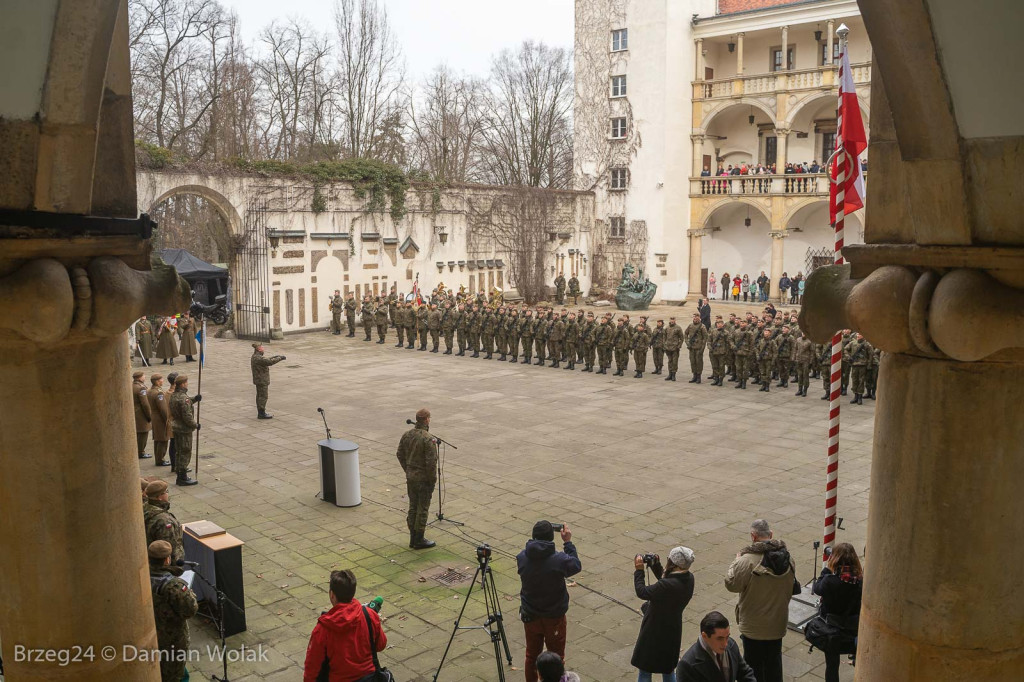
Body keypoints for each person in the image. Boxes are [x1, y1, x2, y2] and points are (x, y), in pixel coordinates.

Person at [725, 520, 797, 682]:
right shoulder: (788, 559)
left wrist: (735, 562)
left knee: (752, 669)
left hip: (753, 625)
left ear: (753, 536)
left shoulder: (746, 560)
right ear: (770, 534)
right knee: (774, 664)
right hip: (777, 624)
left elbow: (731, 584)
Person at [518, 520, 582, 682]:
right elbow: (575, 565)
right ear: (550, 538)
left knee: (531, 656)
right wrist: (567, 542)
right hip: (554, 616)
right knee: (556, 658)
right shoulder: (559, 560)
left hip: (530, 614)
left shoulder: (522, 557)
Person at [303, 569, 387, 682]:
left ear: (332, 595)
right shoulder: (369, 615)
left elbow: (312, 668)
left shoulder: (322, 629)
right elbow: (380, 645)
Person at [631, 547, 696, 682]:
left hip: (653, 631)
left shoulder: (667, 586)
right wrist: (656, 566)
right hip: (672, 630)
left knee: (645, 669)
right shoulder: (689, 579)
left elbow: (642, 591)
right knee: (668, 669)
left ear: (674, 563)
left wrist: (639, 571)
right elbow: (667, 579)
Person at [810, 543, 862, 682]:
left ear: (835, 559)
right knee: (860, 659)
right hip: (853, 629)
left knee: (832, 665)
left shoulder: (830, 581)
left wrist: (826, 569)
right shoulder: (861, 581)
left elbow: (817, 588)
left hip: (832, 629)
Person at [148, 539, 198, 682]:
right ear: (167, 559)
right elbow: (191, 609)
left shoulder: (141, 575)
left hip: (151, 632)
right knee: (174, 674)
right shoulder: (174, 586)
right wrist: (190, 593)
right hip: (171, 637)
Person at [396, 408, 438, 550]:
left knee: (413, 506)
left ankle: (412, 537)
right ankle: (419, 539)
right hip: (423, 479)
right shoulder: (427, 438)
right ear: (426, 420)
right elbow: (431, 463)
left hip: (411, 478)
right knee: (422, 508)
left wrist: (408, 469)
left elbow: (399, 454)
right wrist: (432, 480)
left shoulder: (407, 435)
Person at [677, 611, 757, 682]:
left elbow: (745, 673)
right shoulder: (687, 665)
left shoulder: (731, 645)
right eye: (720, 639)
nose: (725, 643)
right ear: (705, 636)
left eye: (727, 637)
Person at [168, 374, 200, 486]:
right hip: (184, 428)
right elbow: (187, 416)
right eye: (186, 382)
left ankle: (179, 472)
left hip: (176, 426)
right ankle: (182, 476)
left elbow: (183, 403)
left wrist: (194, 399)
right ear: (182, 384)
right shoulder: (184, 398)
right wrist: (195, 425)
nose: (187, 384)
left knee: (179, 450)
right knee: (185, 451)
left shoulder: (174, 395)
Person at [143, 480, 184, 563]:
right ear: (159, 497)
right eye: (166, 491)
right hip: (164, 563)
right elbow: (169, 547)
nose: (168, 494)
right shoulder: (164, 521)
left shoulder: (144, 507)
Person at [250, 343, 285, 419]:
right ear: (259, 349)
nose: (263, 348)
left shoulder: (256, 356)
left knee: (260, 396)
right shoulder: (258, 358)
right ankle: (261, 413)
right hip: (262, 380)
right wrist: (280, 358)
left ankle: (261, 412)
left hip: (259, 380)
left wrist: (276, 356)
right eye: (262, 347)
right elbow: (269, 362)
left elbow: (266, 359)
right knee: (263, 396)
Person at [148, 373, 171, 466]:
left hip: (154, 417)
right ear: (157, 381)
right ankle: (160, 459)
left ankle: (158, 458)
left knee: (157, 439)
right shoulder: (159, 393)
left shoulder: (150, 390)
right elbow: (163, 409)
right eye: (161, 379)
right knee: (163, 439)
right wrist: (167, 419)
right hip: (160, 419)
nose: (163, 381)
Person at [132, 370, 153, 459]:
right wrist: (149, 416)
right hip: (141, 414)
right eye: (144, 376)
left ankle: (137, 450)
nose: (145, 377)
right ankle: (141, 452)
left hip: (134, 412)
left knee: (137, 433)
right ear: (140, 377)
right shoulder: (141, 388)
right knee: (143, 433)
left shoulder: (132, 385)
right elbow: (145, 404)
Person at [684, 313, 708, 384]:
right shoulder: (690, 325)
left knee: (699, 362)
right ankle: (694, 375)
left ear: (699, 318)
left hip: (698, 348)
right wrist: (687, 342)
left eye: (697, 318)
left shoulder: (702, 327)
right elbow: (685, 333)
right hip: (691, 347)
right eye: (694, 318)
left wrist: (702, 348)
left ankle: (698, 376)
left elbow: (705, 337)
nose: (695, 319)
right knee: (692, 362)